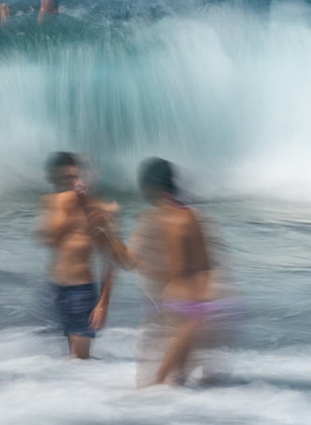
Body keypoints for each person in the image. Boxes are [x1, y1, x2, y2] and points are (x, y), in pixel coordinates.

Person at [125, 157, 224, 387]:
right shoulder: (188, 217)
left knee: (160, 383)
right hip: (184, 304)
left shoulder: (155, 219)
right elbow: (205, 265)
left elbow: (130, 260)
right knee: (173, 382)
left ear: (151, 186)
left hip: (173, 306)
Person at [37, 151, 121, 360]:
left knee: (79, 362)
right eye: (67, 179)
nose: (73, 184)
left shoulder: (98, 210)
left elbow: (110, 260)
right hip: (56, 290)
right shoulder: (55, 203)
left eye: (75, 177)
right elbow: (48, 240)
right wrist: (69, 210)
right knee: (68, 362)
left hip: (81, 293)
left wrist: (103, 304)